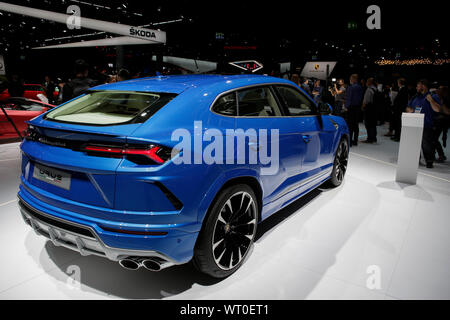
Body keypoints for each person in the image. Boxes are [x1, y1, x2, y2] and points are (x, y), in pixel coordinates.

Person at [406, 79, 441, 168]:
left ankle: (429, 161)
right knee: (415, 145)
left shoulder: (433, 96)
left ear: (424, 86)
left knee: (426, 145)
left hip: (427, 125)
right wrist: (409, 110)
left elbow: (437, 109)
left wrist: (431, 101)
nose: (417, 87)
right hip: (414, 125)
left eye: (418, 85)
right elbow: (408, 107)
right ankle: (415, 160)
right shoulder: (415, 97)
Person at [345, 74, 363, 146]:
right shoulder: (360, 87)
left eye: (351, 79)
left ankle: (349, 141)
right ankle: (355, 141)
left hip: (351, 107)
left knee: (350, 125)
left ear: (353, 79)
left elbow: (349, 98)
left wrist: (346, 106)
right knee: (356, 125)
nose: (350, 80)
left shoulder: (351, 87)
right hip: (357, 107)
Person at [361, 78, 378, 143]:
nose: (366, 83)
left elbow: (366, 101)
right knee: (373, 124)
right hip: (374, 108)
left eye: (367, 81)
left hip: (369, 109)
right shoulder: (375, 89)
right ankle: (374, 137)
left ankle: (369, 138)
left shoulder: (369, 90)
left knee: (368, 124)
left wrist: (362, 107)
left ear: (369, 82)